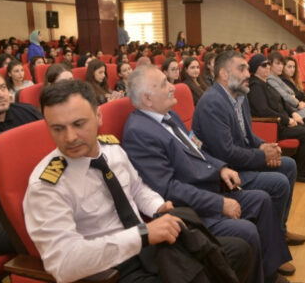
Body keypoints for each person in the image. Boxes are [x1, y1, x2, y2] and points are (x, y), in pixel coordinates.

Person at [23, 80, 252, 283]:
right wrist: (142, 235)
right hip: (111, 269)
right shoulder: (46, 185)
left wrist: (157, 206)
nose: (70, 137)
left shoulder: (111, 150)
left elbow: (137, 188)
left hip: (149, 246)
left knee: (237, 251)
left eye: (79, 124)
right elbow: (63, 265)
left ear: (98, 116)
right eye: (58, 128)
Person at [123, 65, 293, 283]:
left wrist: (221, 167)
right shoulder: (139, 132)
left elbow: (198, 149)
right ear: (147, 99)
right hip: (193, 209)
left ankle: (269, 273)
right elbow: (169, 189)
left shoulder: (169, 116)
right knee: (246, 231)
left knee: (261, 199)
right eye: (165, 83)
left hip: (209, 187)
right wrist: (218, 203)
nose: (172, 87)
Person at [192, 51, 305, 256]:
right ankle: (270, 242)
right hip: (225, 172)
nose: (248, 73)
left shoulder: (240, 95)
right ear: (224, 74)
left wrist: (264, 146)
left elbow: (249, 135)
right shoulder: (212, 103)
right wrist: (263, 157)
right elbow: (225, 153)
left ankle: (279, 231)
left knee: (289, 165)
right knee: (279, 183)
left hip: (242, 160)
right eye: (242, 69)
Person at [247, 54, 305, 184]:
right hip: (275, 126)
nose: (268, 67)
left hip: (281, 121)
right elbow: (263, 111)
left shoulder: (265, 83)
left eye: (268, 64)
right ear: (255, 69)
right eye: (263, 65)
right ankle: (302, 173)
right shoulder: (255, 86)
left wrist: (292, 114)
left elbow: (282, 102)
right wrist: (286, 120)